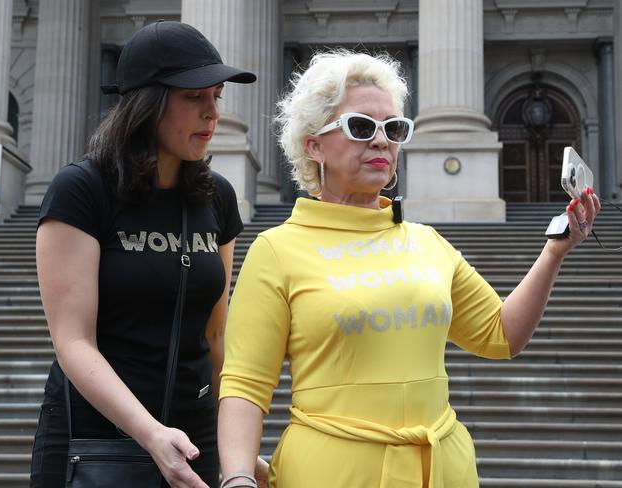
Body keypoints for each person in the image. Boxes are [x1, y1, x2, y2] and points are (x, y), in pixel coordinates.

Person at [216, 50, 601, 488]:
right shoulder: (276, 249)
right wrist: (238, 478)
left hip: (441, 471)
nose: (381, 141)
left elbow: (502, 335)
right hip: (332, 474)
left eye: (393, 128)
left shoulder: (426, 242)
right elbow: (245, 386)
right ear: (314, 144)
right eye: (360, 127)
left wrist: (555, 251)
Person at [30, 21, 257, 488]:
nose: (212, 113)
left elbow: (217, 336)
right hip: (95, 440)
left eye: (217, 96)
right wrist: (150, 433)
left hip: (193, 437)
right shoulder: (82, 189)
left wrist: (237, 447)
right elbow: (73, 341)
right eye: (195, 97)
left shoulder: (217, 197)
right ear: (146, 104)